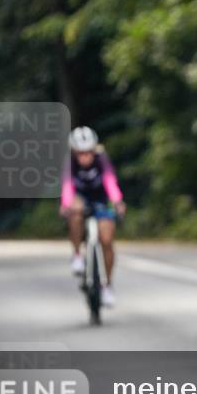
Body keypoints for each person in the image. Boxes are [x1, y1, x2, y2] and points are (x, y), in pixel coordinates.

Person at [60, 127, 126, 307]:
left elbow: (110, 182)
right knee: (75, 211)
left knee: (107, 240)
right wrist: (66, 205)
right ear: (74, 152)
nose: (84, 157)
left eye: (88, 152)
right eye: (80, 153)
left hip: (100, 200)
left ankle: (107, 285)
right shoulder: (70, 163)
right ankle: (77, 256)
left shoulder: (101, 159)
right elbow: (67, 186)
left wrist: (118, 201)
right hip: (80, 198)